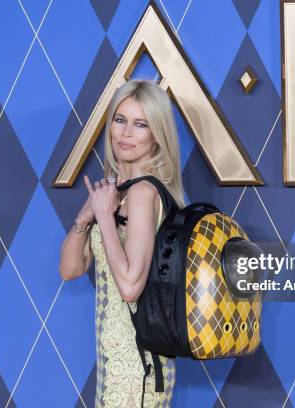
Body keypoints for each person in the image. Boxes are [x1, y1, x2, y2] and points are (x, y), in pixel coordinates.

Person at [59, 79, 186, 407]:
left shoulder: (144, 194)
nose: (126, 133)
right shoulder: (118, 192)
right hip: (114, 362)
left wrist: (104, 217)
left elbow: (130, 286)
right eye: (120, 120)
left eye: (140, 124)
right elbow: (70, 269)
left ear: (156, 134)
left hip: (140, 367)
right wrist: (86, 217)